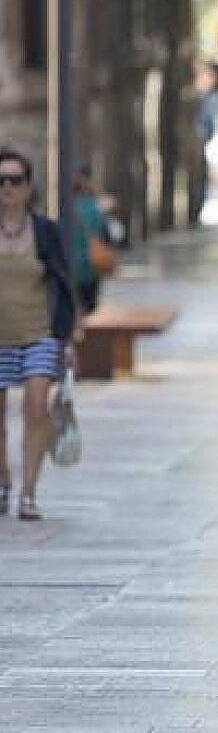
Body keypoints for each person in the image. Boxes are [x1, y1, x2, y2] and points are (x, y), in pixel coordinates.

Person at [0, 149, 77, 522]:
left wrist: (68, 337)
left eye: (15, 180)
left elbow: (63, 283)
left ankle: (28, 493)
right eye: (0, 180)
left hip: (40, 333)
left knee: (35, 406)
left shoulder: (45, 232)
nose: (7, 187)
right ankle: (3, 480)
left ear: (28, 186)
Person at [71, 165, 108, 315]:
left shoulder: (66, 208)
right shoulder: (95, 208)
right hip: (93, 265)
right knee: (90, 309)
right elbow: (106, 235)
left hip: (71, 266)